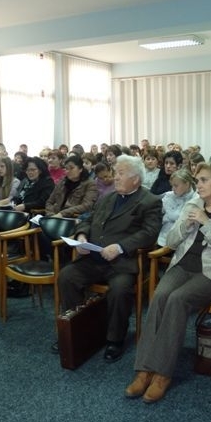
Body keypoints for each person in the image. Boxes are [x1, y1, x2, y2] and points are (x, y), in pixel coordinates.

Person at [125, 162, 211, 403]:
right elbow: (169, 241)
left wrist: (206, 223)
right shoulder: (193, 203)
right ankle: (143, 369)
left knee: (177, 300)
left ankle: (162, 373)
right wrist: (184, 226)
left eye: (203, 180)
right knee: (159, 297)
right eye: (197, 180)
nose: (197, 185)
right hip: (183, 265)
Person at [55, 155, 162, 363]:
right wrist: (81, 236)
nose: (115, 177)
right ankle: (78, 328)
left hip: (122, 263)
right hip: (93, 257)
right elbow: (88, 220)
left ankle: (115, 338)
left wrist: (121, 247)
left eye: (121, 174)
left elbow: (150, 233)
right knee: (67, 276)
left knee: (120, 290)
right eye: (116, 173)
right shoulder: (108, 198)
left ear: (136, 179)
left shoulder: (150, 201)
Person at [156, 168, 198, 246]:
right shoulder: (168, 196)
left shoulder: (196, 199)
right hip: (162, 237)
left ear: (187, 184)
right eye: (172, 185)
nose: (173, 189)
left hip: (182, 242)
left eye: (176, 186)